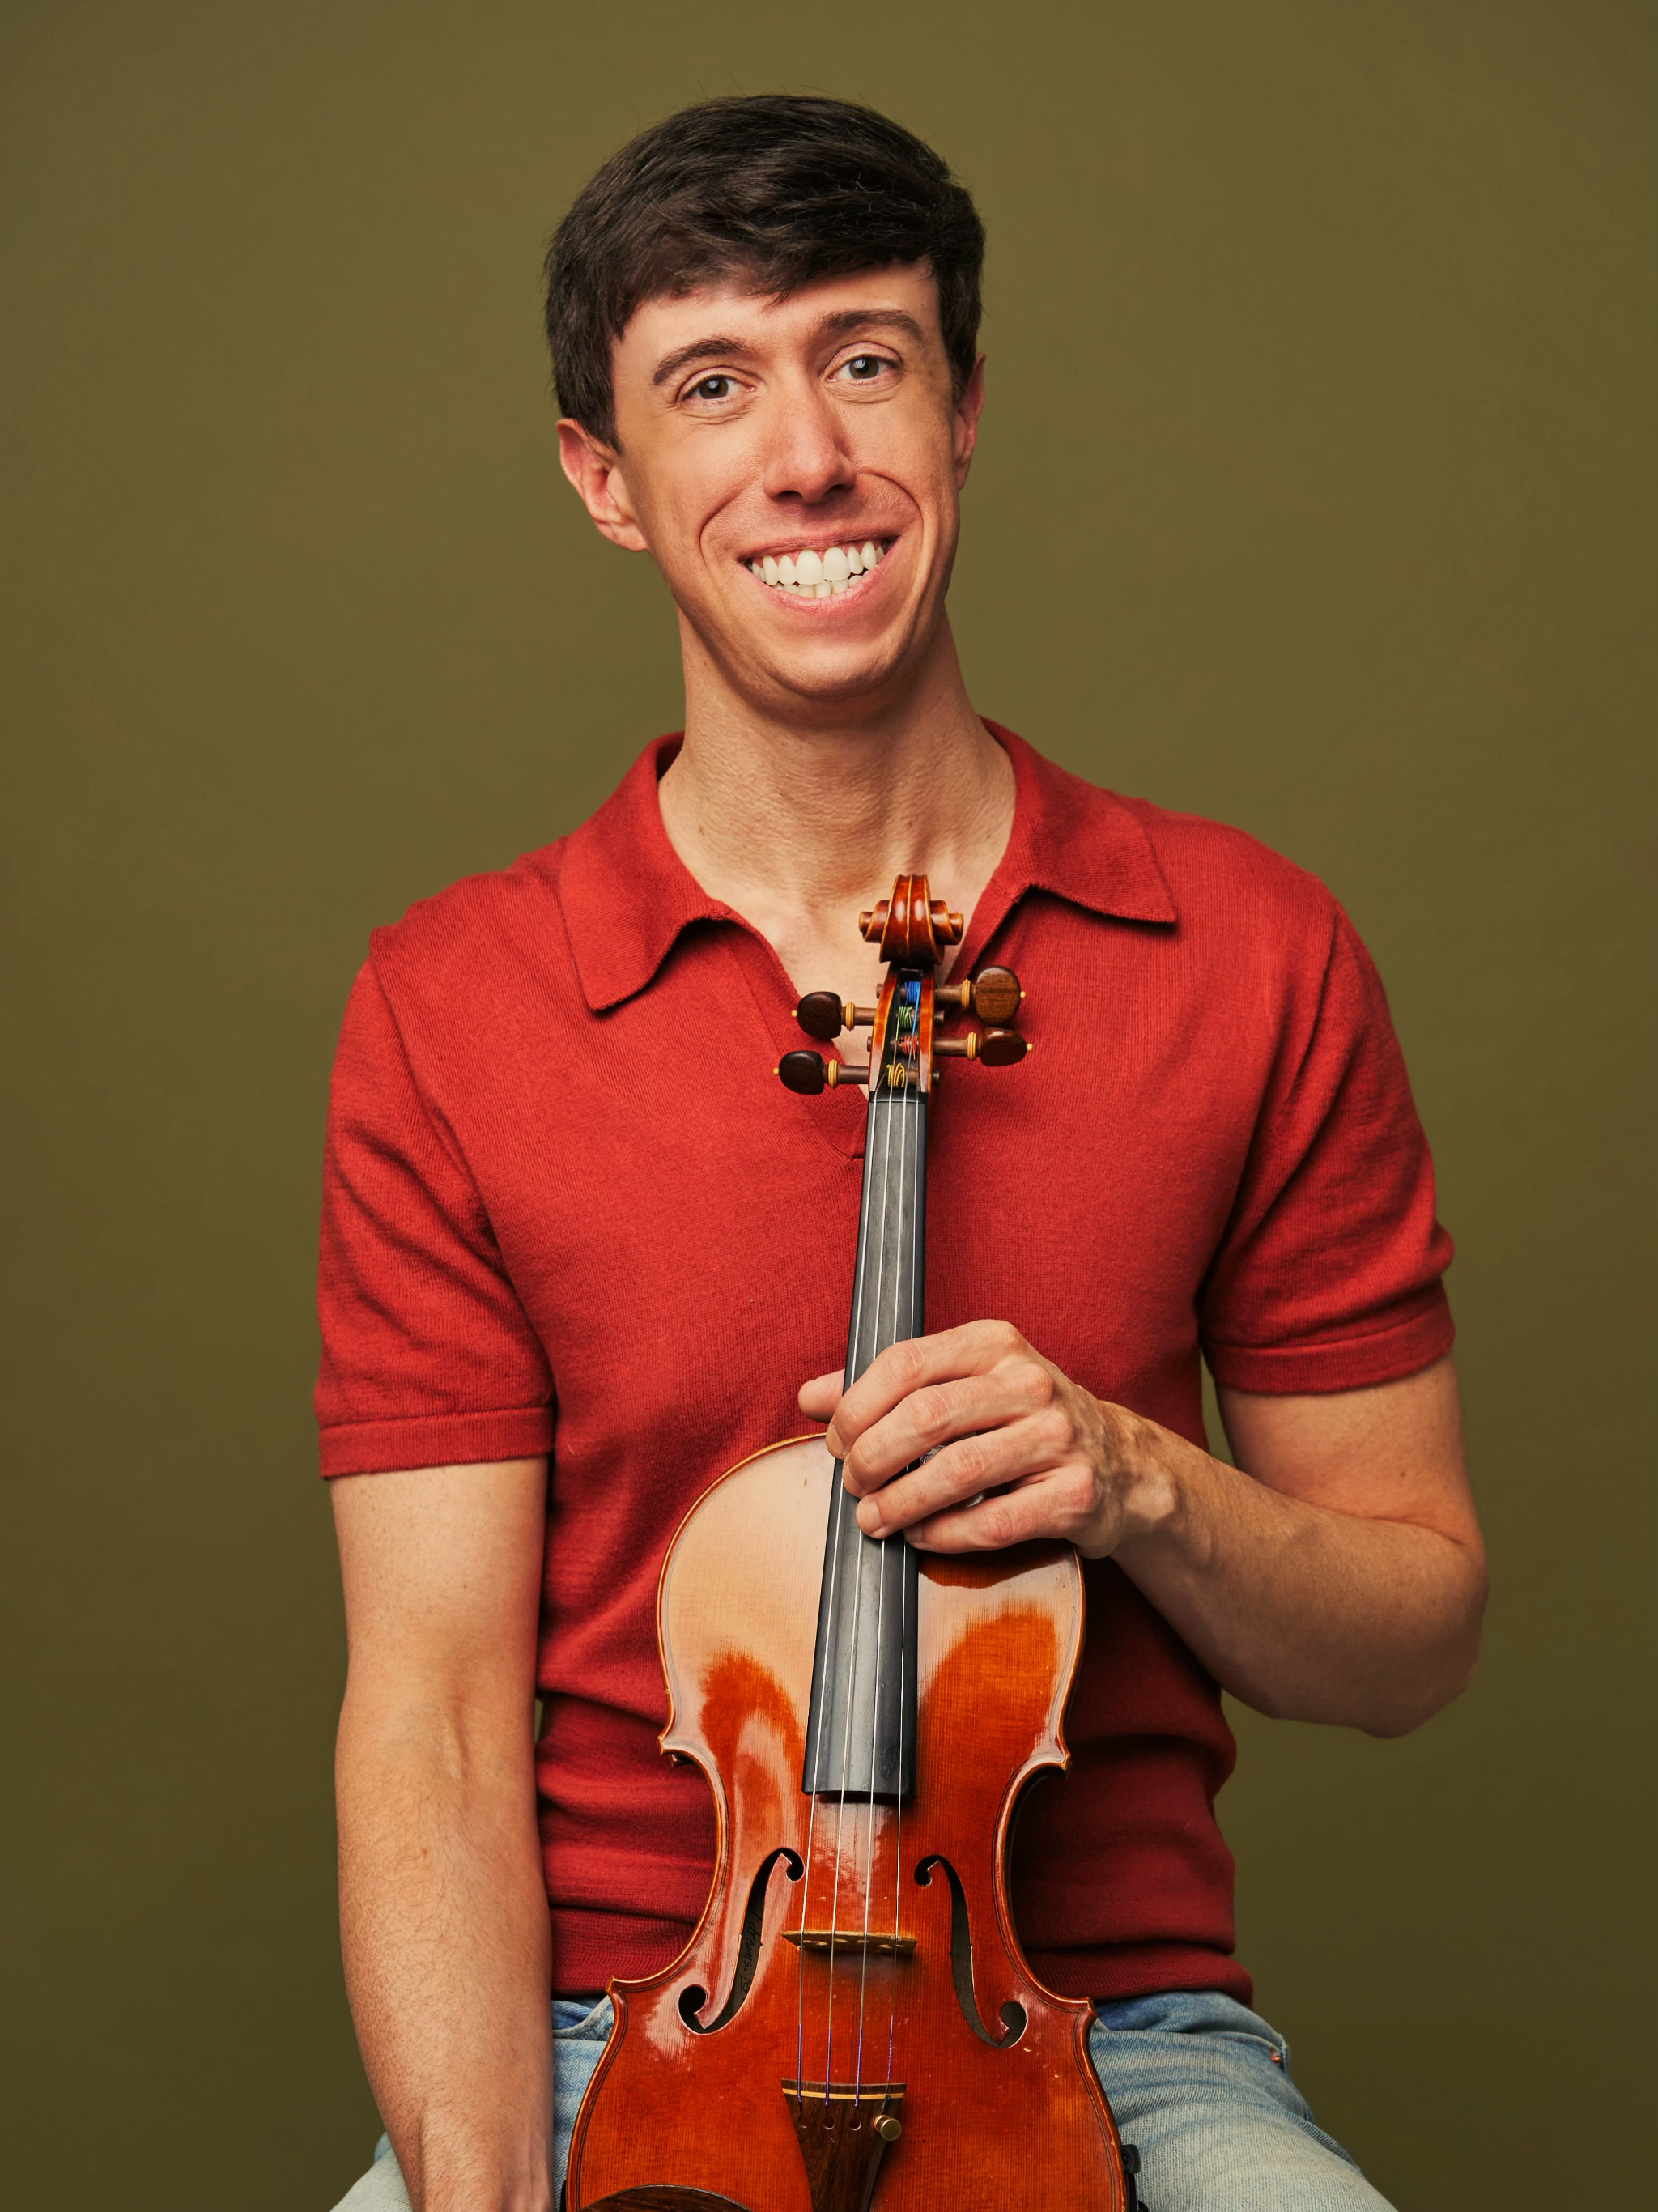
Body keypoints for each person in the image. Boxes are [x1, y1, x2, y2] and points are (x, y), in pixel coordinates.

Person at [320, 95, 1486, 2212]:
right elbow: (431, 1718)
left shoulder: (1253, 949)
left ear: (960, 412)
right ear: (607, 477)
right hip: (601, 2027)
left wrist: (1141, 1478)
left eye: (864, 357)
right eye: (709, 382)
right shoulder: (452, 1002)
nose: (806, 458)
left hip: (1111, 2035)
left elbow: (1410, 1631)